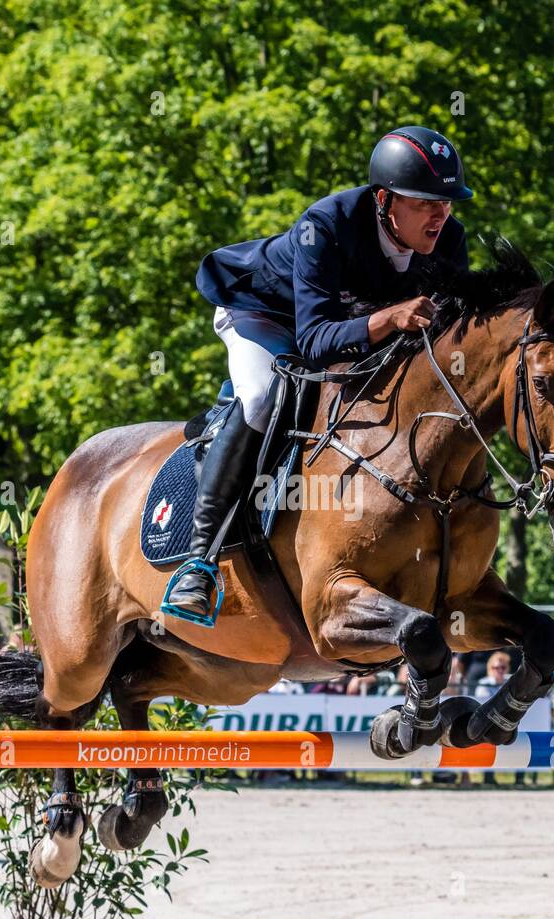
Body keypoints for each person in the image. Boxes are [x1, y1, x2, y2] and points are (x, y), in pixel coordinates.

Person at [164, 125, 474, 621]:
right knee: (265, 395)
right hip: (264, 314)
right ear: (384, 200)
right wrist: (386, 319)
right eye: (425, 202)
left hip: (345, 328)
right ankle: (198, 561)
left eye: (448, 202)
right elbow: (311, 343)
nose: (441, 214)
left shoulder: (449, 242)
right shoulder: (326, 224)